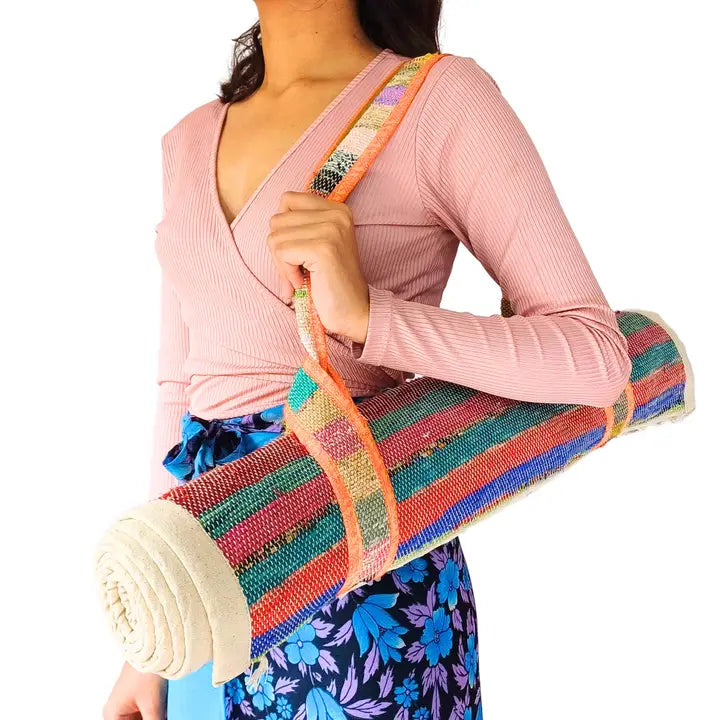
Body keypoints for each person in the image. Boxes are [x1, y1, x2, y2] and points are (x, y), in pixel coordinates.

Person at [102, 1, 632, 718]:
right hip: (205, 590)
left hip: (363, 603)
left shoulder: (439, 102)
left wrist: (369, 319)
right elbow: (180, 387)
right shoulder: (188, 139)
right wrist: (146, 649)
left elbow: (596, 356)